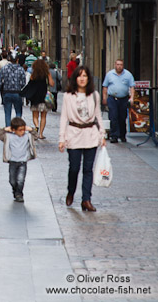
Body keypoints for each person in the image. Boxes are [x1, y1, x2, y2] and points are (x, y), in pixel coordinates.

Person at [59, 65, 106, 211]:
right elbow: (63, 118)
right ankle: (71, 191)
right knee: (74, 168)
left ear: (88, 78)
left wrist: (102, 135)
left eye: (85, 75)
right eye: (80, 75)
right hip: (73, 134)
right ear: (75, 78)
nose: (82, 78)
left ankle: (86, 199)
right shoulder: (68, 96)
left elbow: (98, 115)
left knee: (88, 169)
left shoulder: (94, 95)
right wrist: (62, 138)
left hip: (90, 134)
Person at [0, 117, 37, 203]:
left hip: (23, 162)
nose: (22, 132)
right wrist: (5, 129)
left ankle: (19, 194)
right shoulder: (8, 136)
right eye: (20, 130)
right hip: (12, 161)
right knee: (12, 180)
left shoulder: (27, 136)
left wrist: (31, 129)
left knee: (21, 179)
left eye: (23, 129)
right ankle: (15, 190)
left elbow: (36, 136)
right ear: (14, 130)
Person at [102, 59, 135, 143]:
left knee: (122, 117)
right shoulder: (109, 74)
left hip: (123, 99)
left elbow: (132, 87)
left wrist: (132, 98)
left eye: (121, 65)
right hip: (112, 98)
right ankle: (114, 136)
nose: (119, 66)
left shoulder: (128, 75)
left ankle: (122, 135)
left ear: (123, 65)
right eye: (118, 64)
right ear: (115, 65)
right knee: (113, 117)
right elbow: (105, 87)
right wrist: (104, 98)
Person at [0, 51, 26, 127]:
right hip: (18, 93)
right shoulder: (21, 69)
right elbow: (23, 83)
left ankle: (8, 128)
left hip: (7, 93)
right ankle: (17, 127)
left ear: (9, 59)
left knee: (7, 113)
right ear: (17, 60)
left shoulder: (4, 68)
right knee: (18, 112)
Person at [28, 59, 54, 139]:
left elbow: (30, 84)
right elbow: (52, 83)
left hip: (35, 97)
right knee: (43, 116)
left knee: (35, 116)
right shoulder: (47, 73)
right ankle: (41, 134)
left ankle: (36, 126)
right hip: (44, 97)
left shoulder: (33, 74)